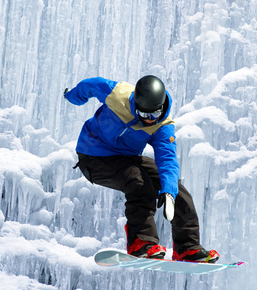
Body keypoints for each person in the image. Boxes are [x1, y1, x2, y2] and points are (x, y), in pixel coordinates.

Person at [64, 75, 219, 263]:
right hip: (92, 155)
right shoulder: (117, 94)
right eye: (143, 115)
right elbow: (90, 85)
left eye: (153, 115)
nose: (148, 120)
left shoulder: (162, 126)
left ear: (161, 108)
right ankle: (141, 242)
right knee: (138, 182)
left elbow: (167, 159)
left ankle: (188, 247)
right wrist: (72, 96)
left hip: (127, 158)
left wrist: (169, 192)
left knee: (177, 190)